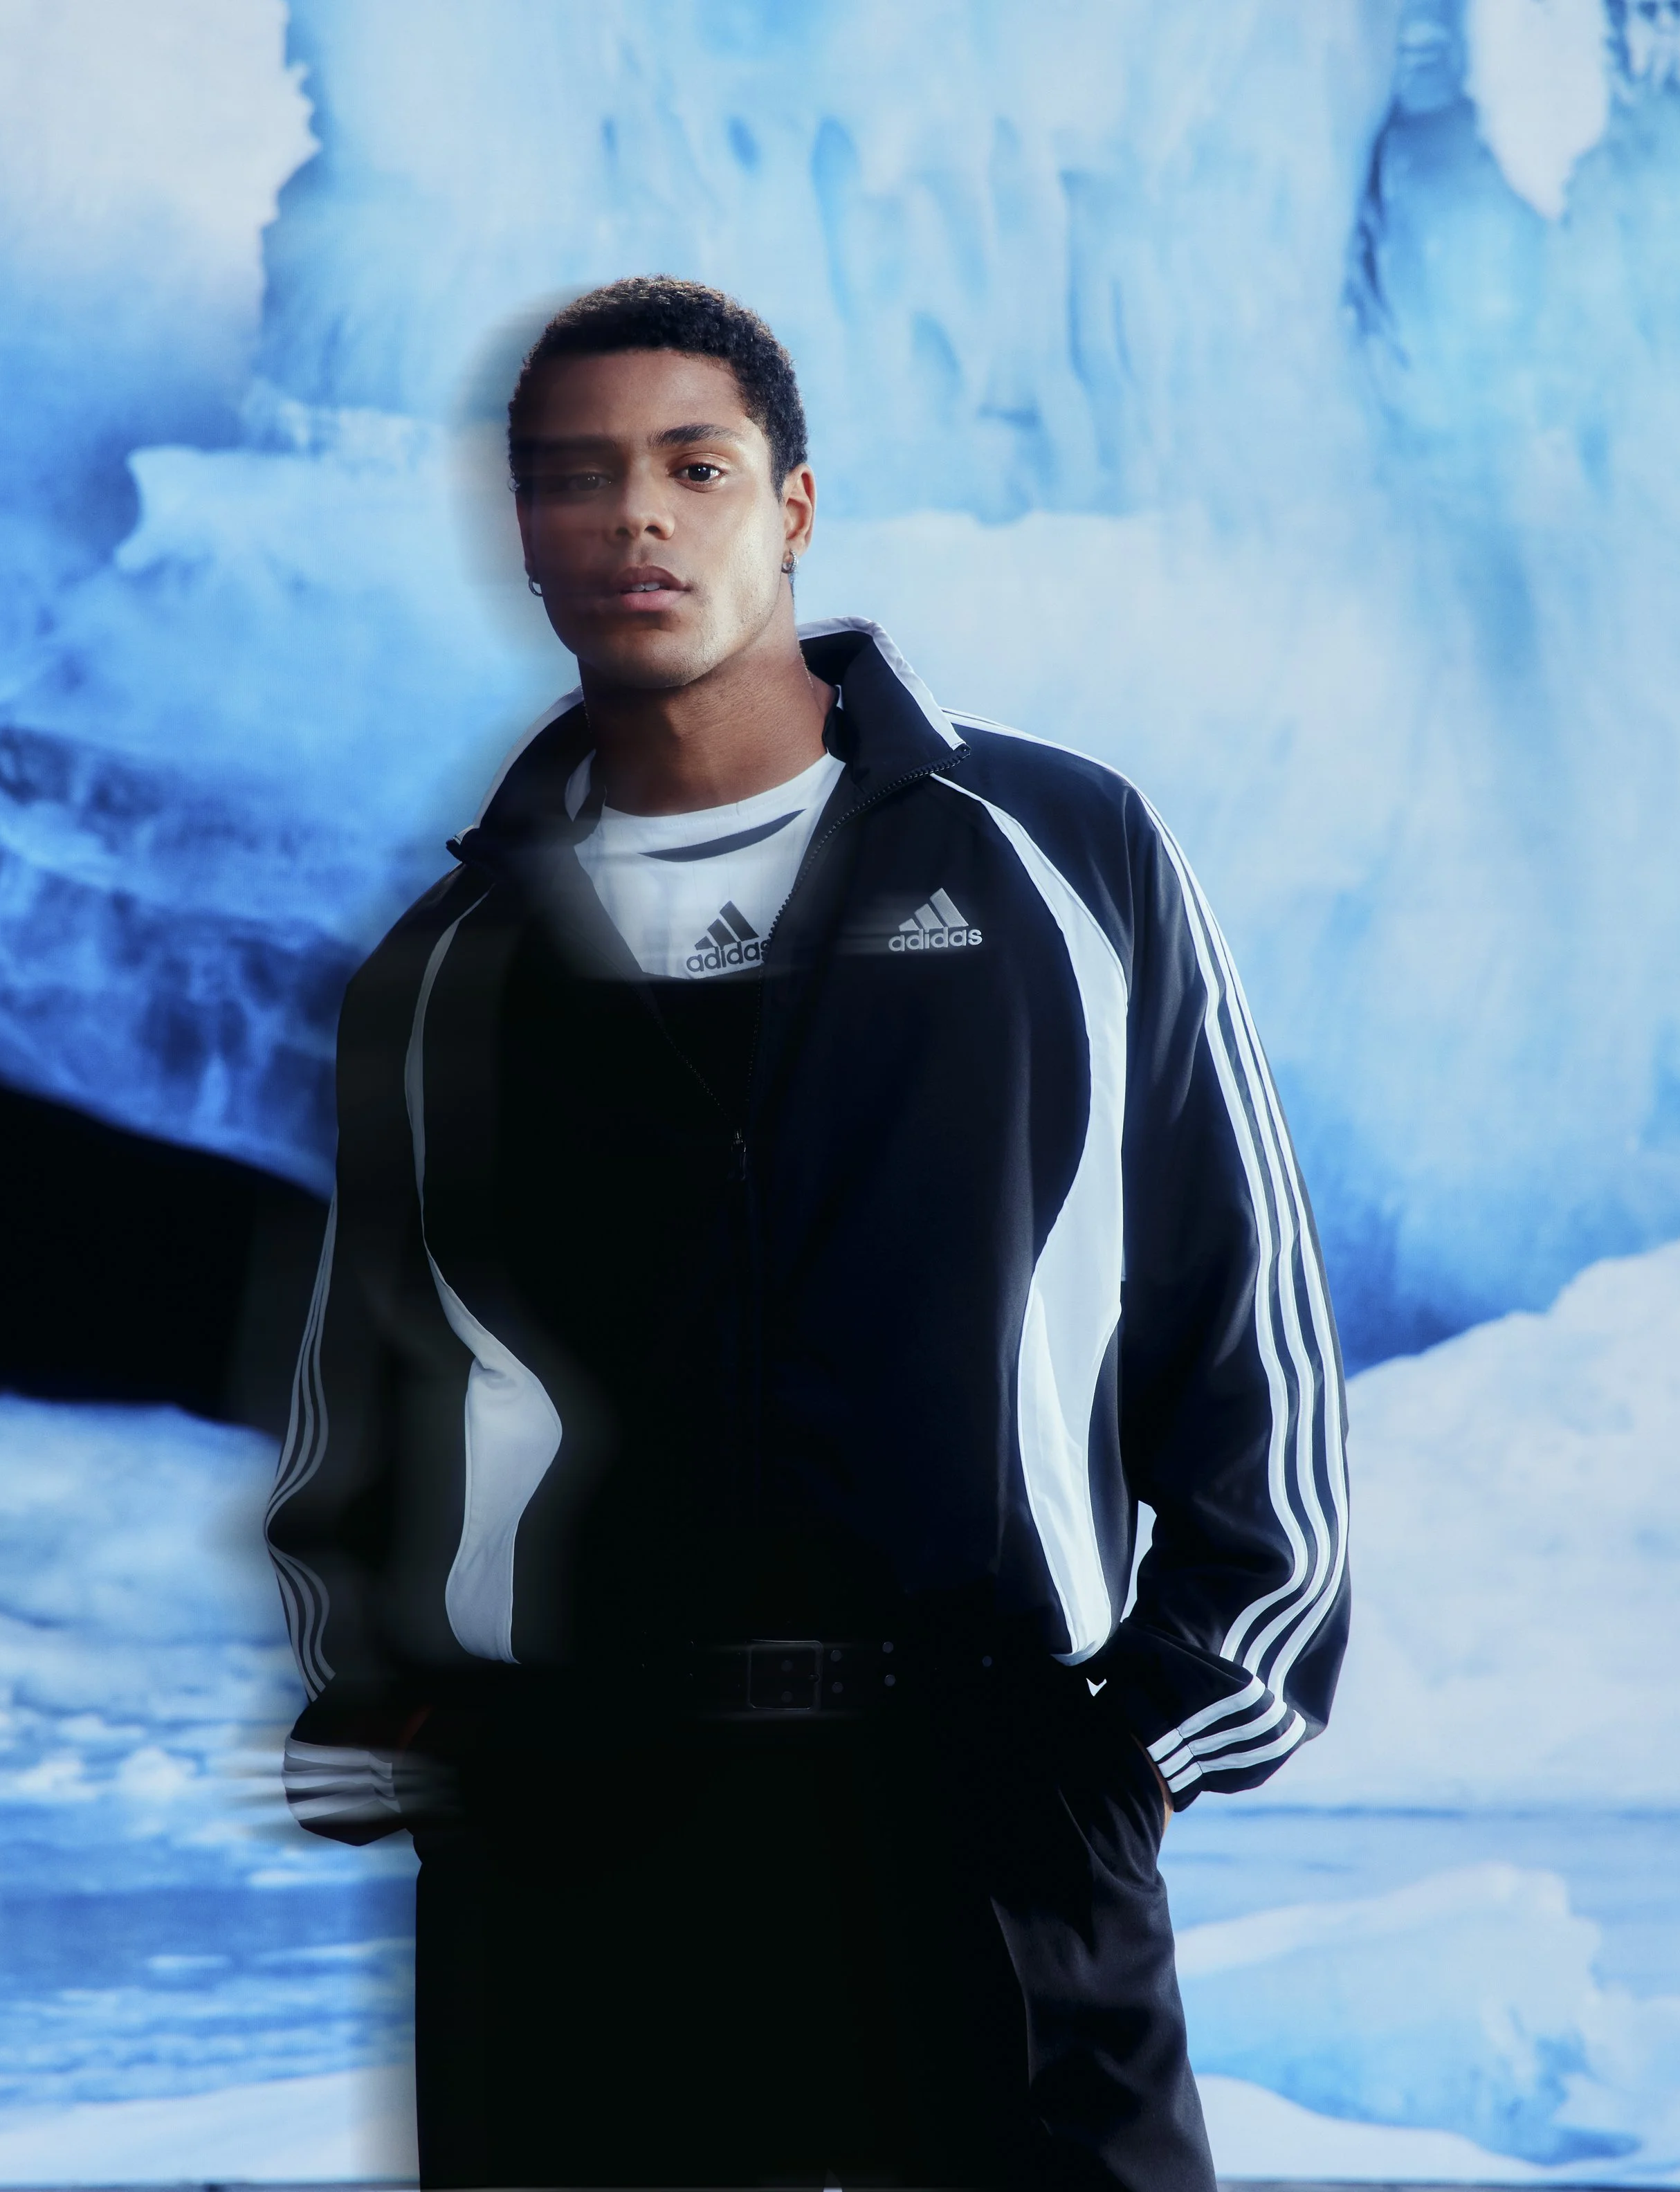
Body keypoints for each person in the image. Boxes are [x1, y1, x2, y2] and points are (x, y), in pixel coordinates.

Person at [266, 275, 1349, 2191]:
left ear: (793, 507)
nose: (636, 520)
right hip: (582, 1850)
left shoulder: (1059, 854)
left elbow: (1235, 1293)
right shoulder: (445, 968)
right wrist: (432, 1748)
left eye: (693, 465)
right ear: (521, 529)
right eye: (576, 479)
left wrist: (1132, 1751)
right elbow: (367, 1394)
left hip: (993, 1821)